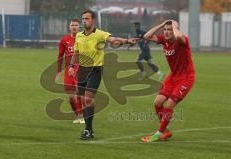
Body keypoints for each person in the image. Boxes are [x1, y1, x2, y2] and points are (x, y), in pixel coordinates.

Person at [69, 10, 137, 140]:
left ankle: (87, 130)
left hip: (95, 69)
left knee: (88, 99)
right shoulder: (79, 36)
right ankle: (90, 129)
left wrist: (127, 41)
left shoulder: (100, 34)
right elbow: (76, 53)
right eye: (83, 19)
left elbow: (114, 40)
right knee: (84, 101)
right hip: (82, 70)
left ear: (93, 20)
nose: (84, 21)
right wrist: (72, 66)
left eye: (87, 19)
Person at [141, 20, 195, 142]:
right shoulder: (164, 40)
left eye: (169, 29)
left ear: (175, 30)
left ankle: (159, 133)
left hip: (186, 78)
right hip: (173, 77)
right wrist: (161, 25)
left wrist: (175, 27)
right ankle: (165, 130)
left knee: (170, 104)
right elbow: (146, 36)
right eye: (165, 29)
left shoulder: (182, 40)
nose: (166, 32)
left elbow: (180, 36)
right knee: (158, 103)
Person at [56, 19, 84, 124]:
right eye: (72, 25)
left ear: (78, 27)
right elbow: (60, 56)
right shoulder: (64, 40)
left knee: (79, 94)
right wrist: (59, 71)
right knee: (70, 98)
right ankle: (78, 115)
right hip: (69, 71)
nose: (74, 27)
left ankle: (81, 116)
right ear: (69, 26)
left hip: (80, 70)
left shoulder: (83, 39)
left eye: (76, 25)